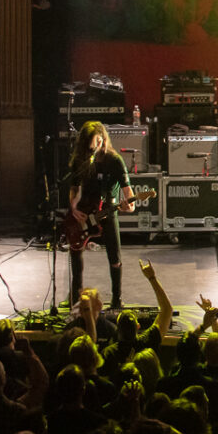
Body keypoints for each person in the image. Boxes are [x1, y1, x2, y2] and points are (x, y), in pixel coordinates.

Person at [67, 121, 136, 309]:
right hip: (84, 211)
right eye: (88, 145)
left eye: (95, 143)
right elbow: (74, 189)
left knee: (115, 257)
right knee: (75, 252)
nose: (92, 148)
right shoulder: (80, 160)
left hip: (107, 210)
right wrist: (73, 207)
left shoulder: (114, 161)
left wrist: (127, 206)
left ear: (102, 139)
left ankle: (116, 299)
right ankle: (76, 298)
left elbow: (130, 199)